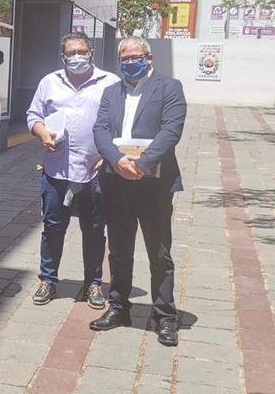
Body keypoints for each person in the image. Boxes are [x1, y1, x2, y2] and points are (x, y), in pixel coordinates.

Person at [90, 35, 186, 347]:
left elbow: (171, 130)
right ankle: (119, 307)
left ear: (149, 57)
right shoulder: (110, 92)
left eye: (136, 57)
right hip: (116, 181)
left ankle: (164, 315)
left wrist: (142, 164)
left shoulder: (169, 88)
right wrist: (117, 161)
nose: (130, 63)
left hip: (154, 184)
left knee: (158, 251)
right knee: (118, 249)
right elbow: (100, 129)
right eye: (125, 59)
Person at [26, 32, 119, 309]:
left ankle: (93, 282)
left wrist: (110, 154)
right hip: (57, 170)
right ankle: (48, 280)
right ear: (63, 56)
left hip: (95, 170)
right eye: (71, 53)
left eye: (82, 51)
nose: (77, 57)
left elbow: (121, 121)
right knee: (53, 227)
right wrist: (42, 134)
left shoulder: (110, 83)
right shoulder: (49, 82)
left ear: (91, 52)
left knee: (93, 229)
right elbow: (34, 115)